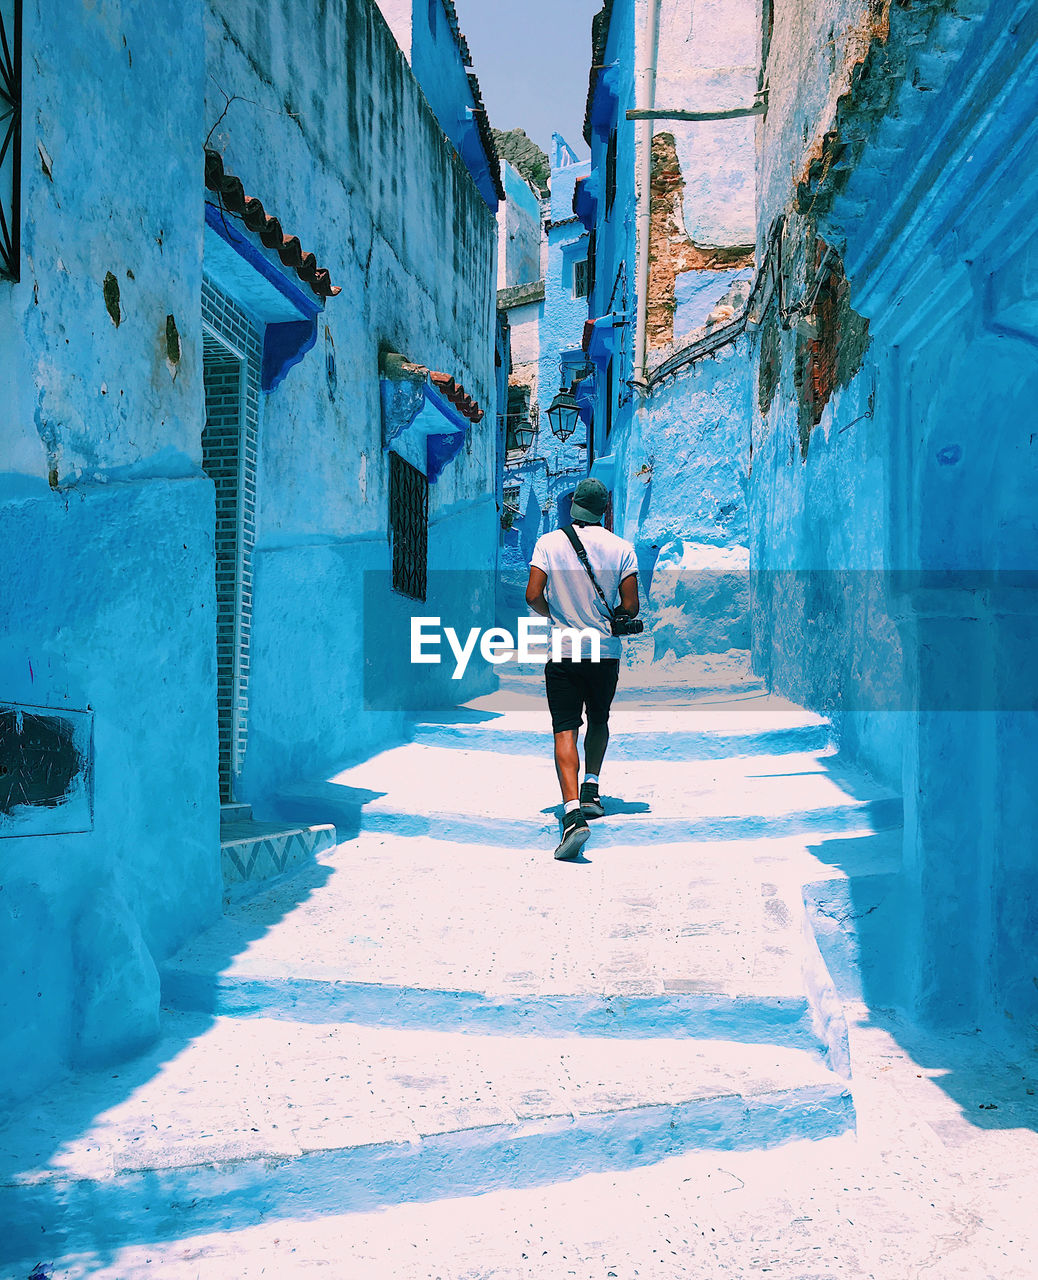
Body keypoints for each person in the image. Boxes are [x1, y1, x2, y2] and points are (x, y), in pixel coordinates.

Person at [525, 477, 639, 861]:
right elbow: (631, 606)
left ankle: (572, 813)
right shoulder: (622, 549)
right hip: (604, 653)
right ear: (604, 510)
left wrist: (555, 614)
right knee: (599, 720)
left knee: (565, 730)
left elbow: (533, 595)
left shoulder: (548, 543)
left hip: (564, 650)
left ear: (573, 506)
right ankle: (592, 788)